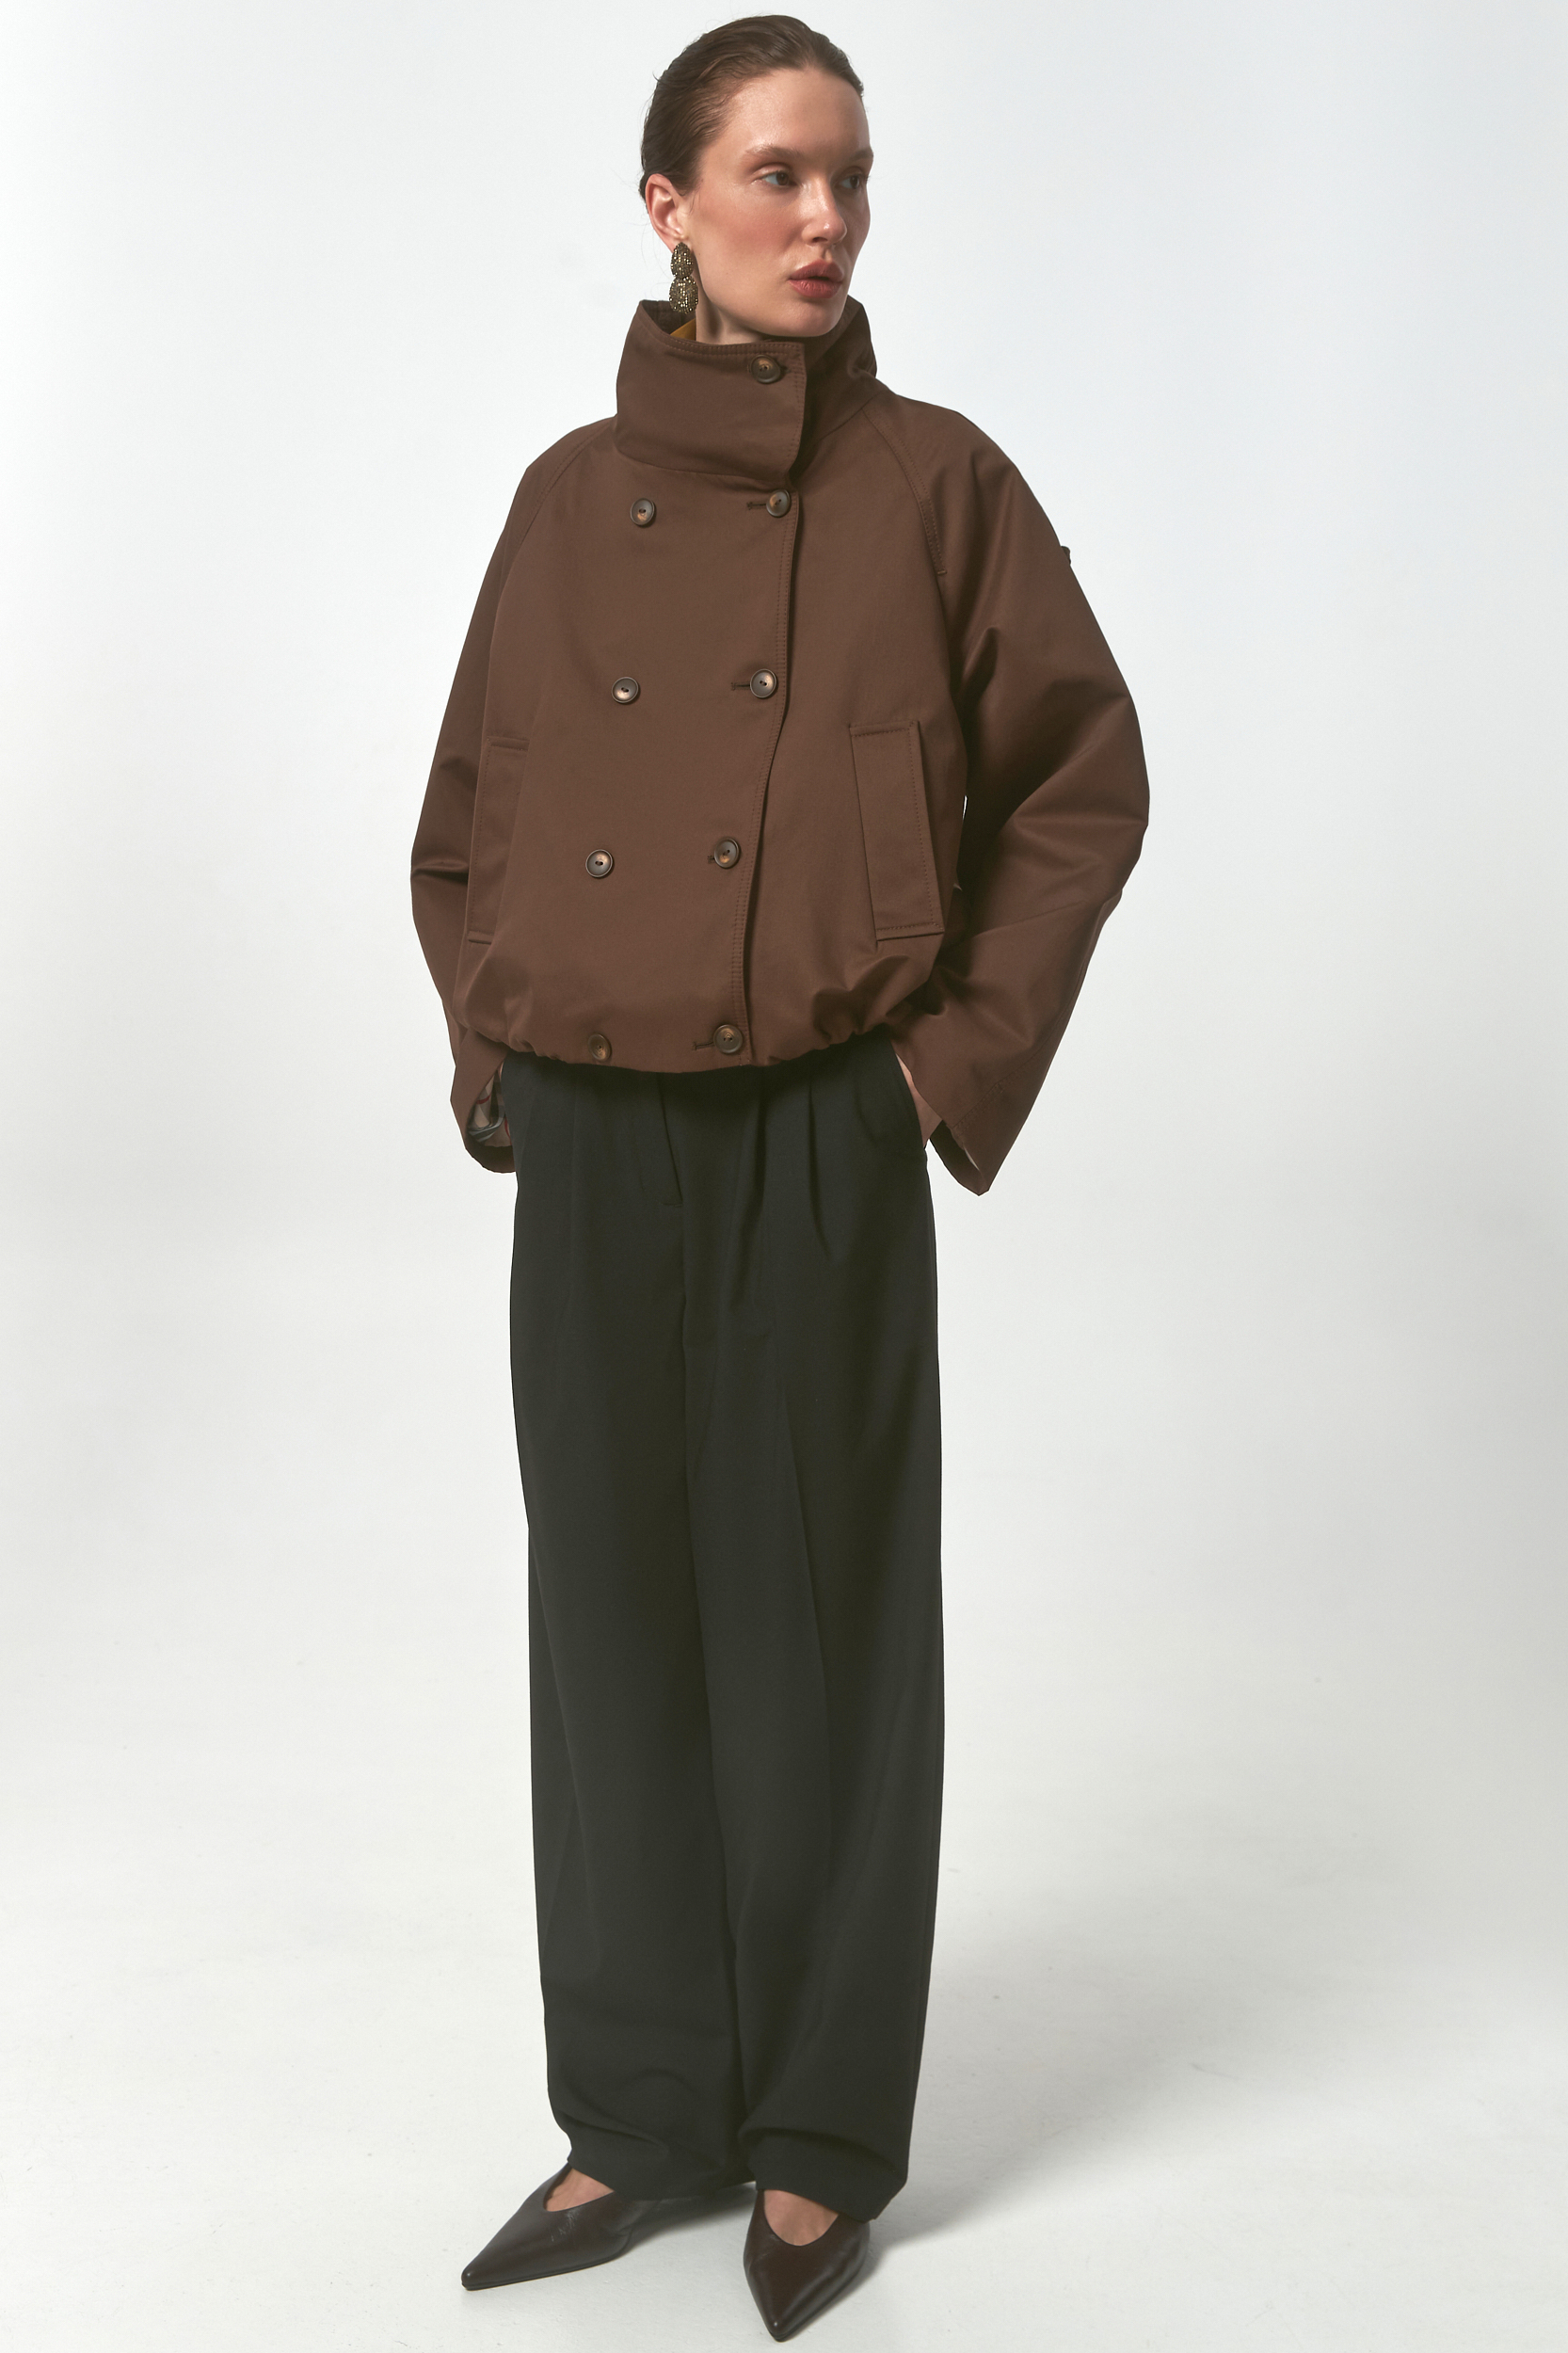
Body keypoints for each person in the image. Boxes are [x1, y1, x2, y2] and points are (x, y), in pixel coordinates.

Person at [410, 14, 1147, 2338]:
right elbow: (467, 813)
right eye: (772, 176)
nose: (822, 220)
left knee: (821, 1633)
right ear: (666, 205)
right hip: (597, 1134)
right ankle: (640, 2105)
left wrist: (933, 1075)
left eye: (848, 177)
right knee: (610, 1628)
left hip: (822, 1120)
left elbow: (1079, 783)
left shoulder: (936, 486)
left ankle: (821, 2130)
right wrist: (503, 1048)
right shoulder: (563, 497)